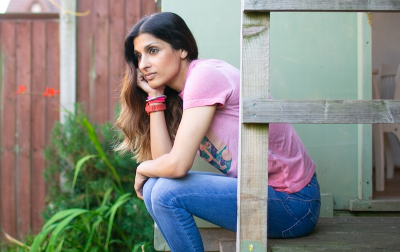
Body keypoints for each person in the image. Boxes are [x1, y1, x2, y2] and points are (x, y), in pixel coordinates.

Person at [115, 12, 321, 252]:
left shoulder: (204, 76)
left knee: (164, 192)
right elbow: (164, 164)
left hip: (294, 204)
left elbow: (176, 166)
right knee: (155, 187)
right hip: (265, 195)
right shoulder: (183, 95)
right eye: (139, 56)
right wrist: (155, 97)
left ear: (181, 48)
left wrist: (141, 169)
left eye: (153, 51)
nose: (143, 65)